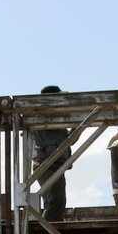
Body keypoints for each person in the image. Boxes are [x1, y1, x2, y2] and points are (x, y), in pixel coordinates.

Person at [31, 85, 72, 222]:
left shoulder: (56, 118)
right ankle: (47, 231)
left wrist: (78, 127)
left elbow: (70, 140)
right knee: (56, 199)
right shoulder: (43, 115)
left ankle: (49, 231)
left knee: (54, 201)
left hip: (54, 165)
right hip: (46, 164)